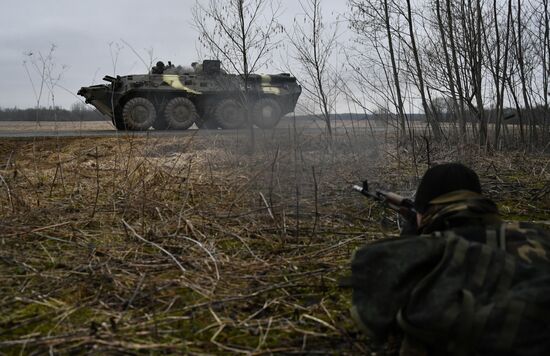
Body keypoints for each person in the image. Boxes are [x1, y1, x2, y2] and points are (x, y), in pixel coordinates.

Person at [349, 163, 550, 356]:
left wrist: (412, 236)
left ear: (423, 210)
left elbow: (375, 318)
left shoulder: (430, 252)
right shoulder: (534, 235)